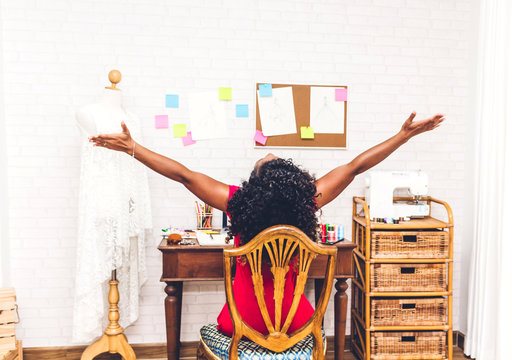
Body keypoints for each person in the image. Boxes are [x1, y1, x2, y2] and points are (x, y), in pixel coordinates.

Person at [89, 111, 445, 335]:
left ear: (254, 186)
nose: (268, 154)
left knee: (225, 317)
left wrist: (134, 148)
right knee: (306, 309)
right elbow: (354, 167)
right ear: (292, 181)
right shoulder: (308, 200)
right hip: (295, 320)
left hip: (241, 322)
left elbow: (183, 175)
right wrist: (404, 136)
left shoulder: (237, 202)